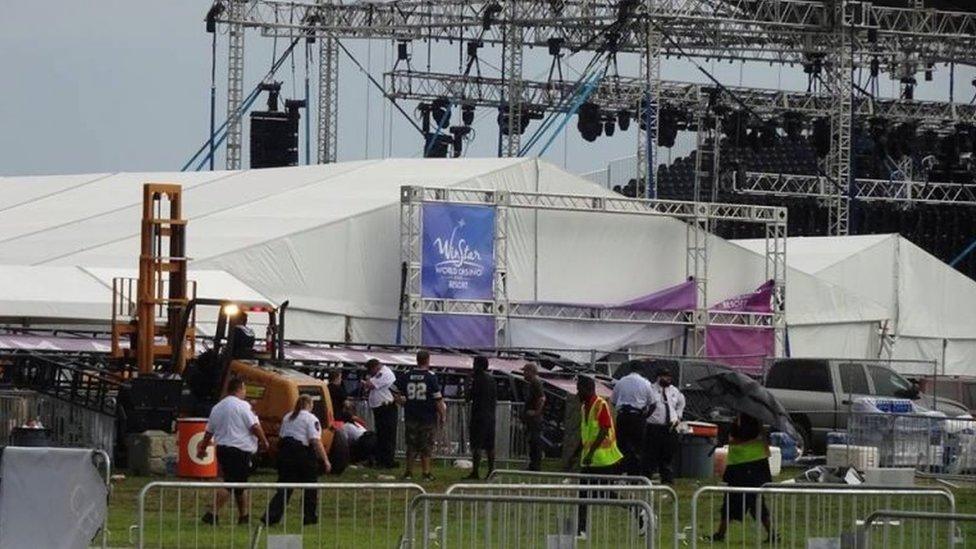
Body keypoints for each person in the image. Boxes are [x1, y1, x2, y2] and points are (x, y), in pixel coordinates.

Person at [196, 377, 269, 525]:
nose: (245, 392)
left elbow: (209, 432)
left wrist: (203, 448)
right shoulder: (243, 406)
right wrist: (264, 441)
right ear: (240, 388)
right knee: (231, 483)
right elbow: (254, 426)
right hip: (239, 450)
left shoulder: (217, 407)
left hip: (223, 448)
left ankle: (244, 516)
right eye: (244, 389)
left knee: (240, 484)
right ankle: (212, 514)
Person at [565, 375, 624, 539]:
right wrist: (575, 455)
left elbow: (605, 430)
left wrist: (590, 453)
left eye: (579, 390)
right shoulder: (584, 407)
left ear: (588, 389)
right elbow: (586, 435)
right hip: (590, 460)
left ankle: (639, 511)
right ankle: (581, 530)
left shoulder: (601, 405)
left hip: (604, 459)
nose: (577, 393)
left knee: (606, 494)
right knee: (583, 493)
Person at [263, 395, 332, 526]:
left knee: (284, 488)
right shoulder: (311, 419)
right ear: (309, 405)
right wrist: (325, 460)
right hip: (302, 454)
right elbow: (316, 441)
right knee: (310, 487)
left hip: (285, 454)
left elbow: (281, 436)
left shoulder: (288, 417)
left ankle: (271, 517)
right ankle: (309, 517)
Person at [709, 413, 776, 542]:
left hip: (748, 466)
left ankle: (771, 533)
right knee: (731, 501)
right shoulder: (750, 419)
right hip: (741, 465)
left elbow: (744, 437)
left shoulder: (751, 420)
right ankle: (720, 533)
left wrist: (731, 437)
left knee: (754, 502)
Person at [397, 350, 446, 481]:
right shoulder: (431, 376)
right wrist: (442, 415)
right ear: (428, 360)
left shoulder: (407, 375)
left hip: (411, 414)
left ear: (417, 360)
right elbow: (438, 399)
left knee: (411, 445)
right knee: (426, 446)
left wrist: (400, 399)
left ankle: (408, 472)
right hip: (427, 416)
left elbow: (393, 388)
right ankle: (426, 472)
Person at [642, 367, 684, 485]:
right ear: (658, 377)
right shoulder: (650, 389)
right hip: (654, 426)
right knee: (651, 454)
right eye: (665, 376)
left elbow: (681, 403)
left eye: (669, 377)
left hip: (670, 427)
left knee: (668, 454)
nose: (668, 379)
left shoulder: (674, 391)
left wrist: (678, 416)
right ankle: (646, 477)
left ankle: (667, 478)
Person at [610, 369, 655, 476]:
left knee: (621, 446)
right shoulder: (645, 383)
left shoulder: (620, 382)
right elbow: (652, 404)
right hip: (637, 417)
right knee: (637, 447)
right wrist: (645, 416)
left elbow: (613, 401)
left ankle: (619, 472)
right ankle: (634, 474)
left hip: (623, 416)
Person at [362, 358, 398, 469]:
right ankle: (380, 459)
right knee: (381, 434)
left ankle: (387, 461)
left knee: (387, 435)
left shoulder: (384, 373)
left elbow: (371, 385)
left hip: (387, 407)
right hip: (380, 408)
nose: (370, 373)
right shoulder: (378, 374)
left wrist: (366, 381)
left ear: (375, 367)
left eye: (370, 371)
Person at [465, 356, 497, 480]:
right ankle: (491, 470)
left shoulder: (477, 379)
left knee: (477, 445)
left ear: (478, 365)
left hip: (479, 416)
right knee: (490, 445)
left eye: (474, 364)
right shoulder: (492, 379)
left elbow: (468, 397)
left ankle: (475, 471)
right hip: (490, 415)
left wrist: (467, 383)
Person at [522, 363, 546, 471]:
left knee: (535, 440)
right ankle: (533, 464)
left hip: (535, 419)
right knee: (532, 441)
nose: (524, 373)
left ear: (531, 371)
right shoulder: (533, 382)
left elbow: (542, 398)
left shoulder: (536, 382)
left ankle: (535, 465)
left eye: (525, 371)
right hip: (532, 418)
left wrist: (536, 412)